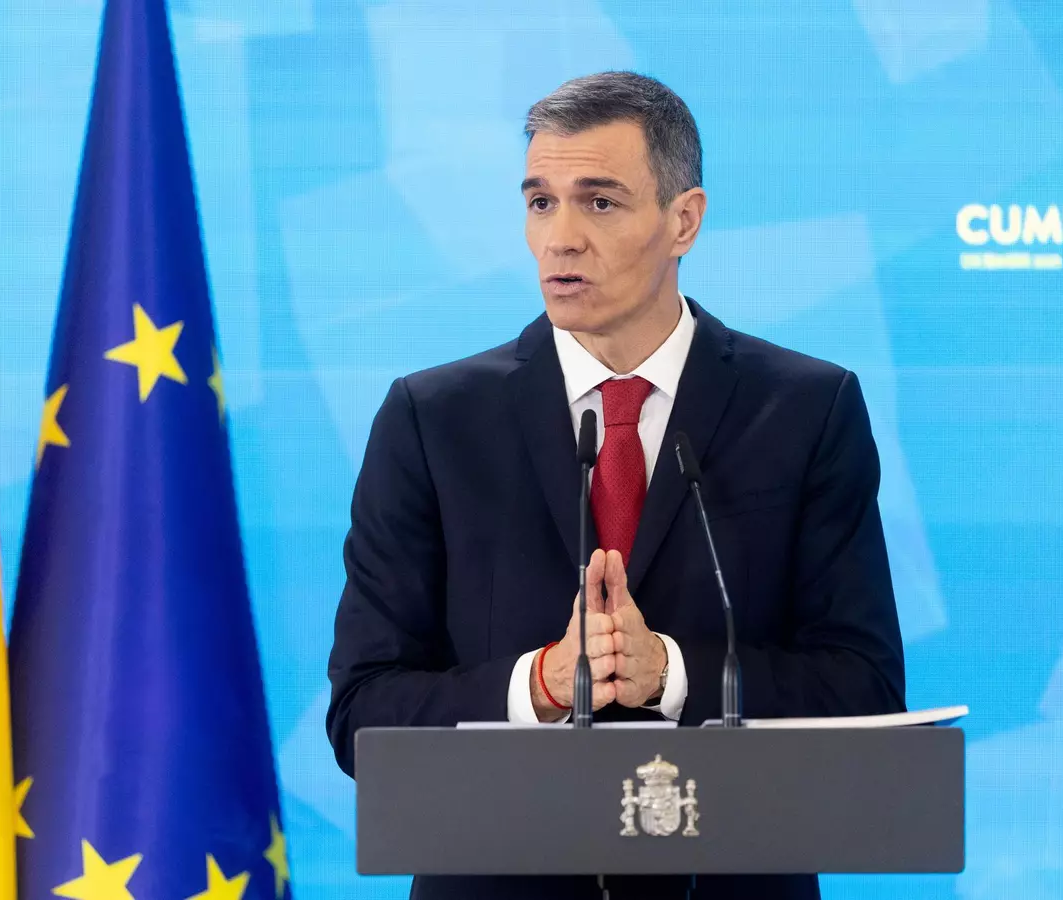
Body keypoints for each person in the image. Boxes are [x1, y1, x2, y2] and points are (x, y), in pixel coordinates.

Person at [327, 71, 906, 900]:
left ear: (684, 221)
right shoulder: (434, 420)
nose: (560, 239)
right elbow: (363, 715)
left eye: (599, 203)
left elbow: (863, 692)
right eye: (540, 202)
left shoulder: (807, 410)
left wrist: (668, 673)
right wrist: (542, 684)